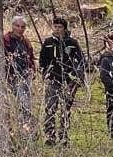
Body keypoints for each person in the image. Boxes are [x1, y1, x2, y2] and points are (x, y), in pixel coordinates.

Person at [39, 16, 85, 145]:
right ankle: (50, 136)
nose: (57, 29)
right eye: (55, 27)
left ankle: (64, 135)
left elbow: (81, 60)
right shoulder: (48, 42)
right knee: (50, 107)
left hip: (68, 80)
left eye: (60, 27)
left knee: (66, 108)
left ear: (65, 29)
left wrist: (77, 77)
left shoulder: (72, 43)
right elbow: (42, 61)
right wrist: (45, 74)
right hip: (53, 79)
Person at [3, 15, 36, 134]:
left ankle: (25, 131)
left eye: (23, 27)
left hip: (25, 77)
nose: (20, 29)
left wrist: (32, 70)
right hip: (10, 77)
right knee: (9, 105)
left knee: (25, 104)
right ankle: (8, 132)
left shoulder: (26, 42)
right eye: (17, 26)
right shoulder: (5, 40)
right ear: (12, 26)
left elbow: (31, 58)